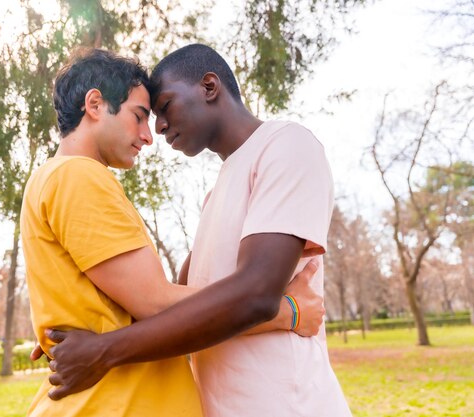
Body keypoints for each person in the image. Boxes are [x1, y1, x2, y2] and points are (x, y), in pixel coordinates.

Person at [43, 44, 352, 417]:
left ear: (208, 87)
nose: (156, 128)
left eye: (165, 107)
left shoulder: (286, 145)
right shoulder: (215, 195)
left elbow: (255, 294)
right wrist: (77, 322)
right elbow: (177, 307)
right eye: (145, 115)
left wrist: (103, 350)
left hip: (286, 404)